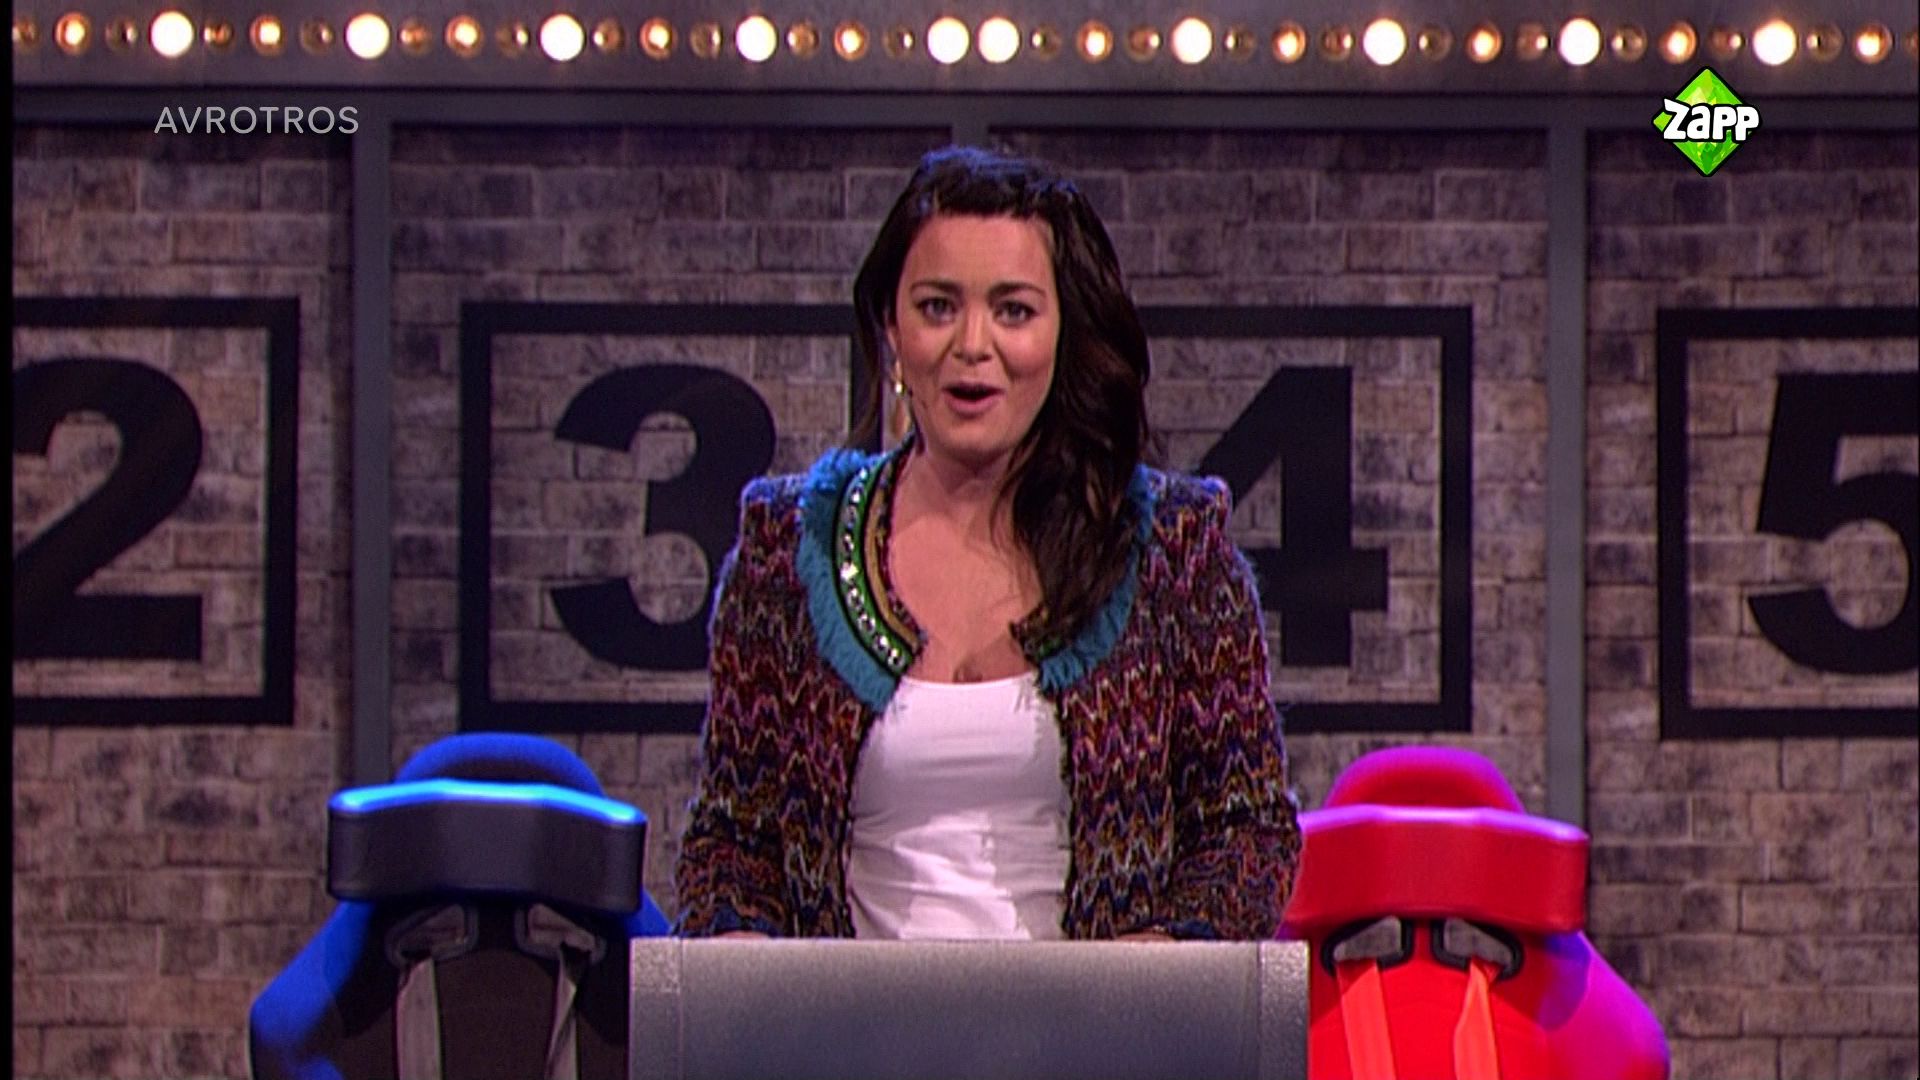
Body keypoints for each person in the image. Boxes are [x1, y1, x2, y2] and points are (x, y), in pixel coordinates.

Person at [673, 145, 1300, 941]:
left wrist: (1161, 956)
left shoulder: (1172, 551)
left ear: (1063, 331)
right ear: (892, 329)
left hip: (1097, 1016)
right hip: (849, 1017)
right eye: (938, 307)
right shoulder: (789, 549)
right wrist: (738, 940)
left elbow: (1248, 834)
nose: (973, 344)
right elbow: (729, 841)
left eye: (1014, 311)